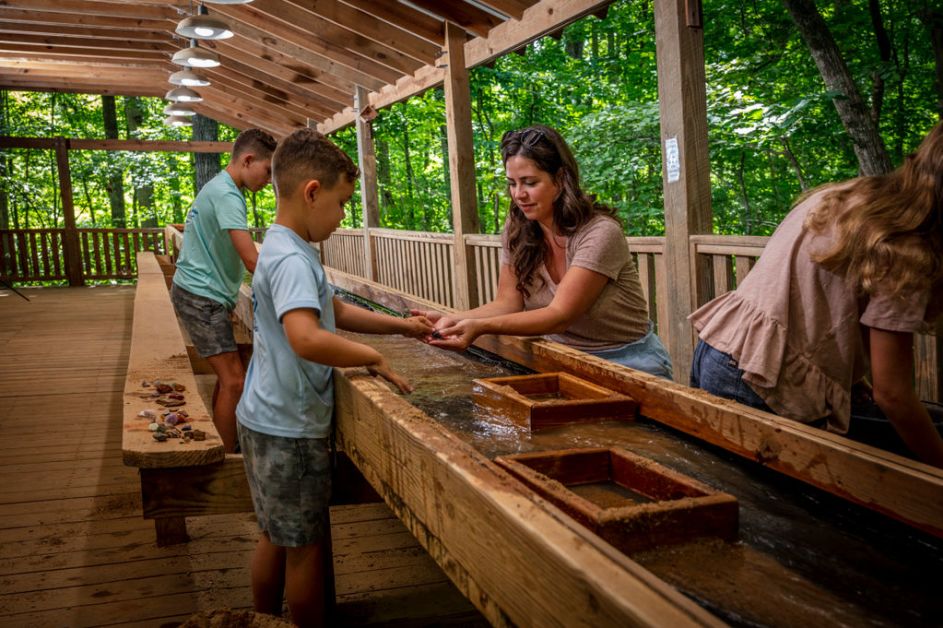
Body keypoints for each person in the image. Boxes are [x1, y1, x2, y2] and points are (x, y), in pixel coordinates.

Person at [235, 128, 433, 626]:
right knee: (304, 548)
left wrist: (402, 327)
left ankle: (263, 619)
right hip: (291, 429)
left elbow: (332, 311)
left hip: (262, 417)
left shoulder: (280, 247)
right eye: (343, 204)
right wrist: (371, 357)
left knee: (275, 535)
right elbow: (306, 336)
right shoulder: (293, 259)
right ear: (312, 193)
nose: (343, 218)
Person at [689, 122, 943, 468]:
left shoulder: (849, 197)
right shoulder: (905, 247)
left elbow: (840, 306)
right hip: (762, 379)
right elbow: (894, 394)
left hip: (720, 351)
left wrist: (855, 383)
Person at [417, 124, 672, 379]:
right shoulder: (517, 229)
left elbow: (559, 315)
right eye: (512, 183)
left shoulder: (600, 233)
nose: (519, 194)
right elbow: (508, 303)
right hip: (560, 359)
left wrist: (480, 327)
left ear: (560, 179)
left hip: (630, 362)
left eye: (530, 182)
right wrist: (454, 321)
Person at [171, 128, 277, 453]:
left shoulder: (218, 187)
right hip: (202, 298)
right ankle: (227, 455)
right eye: (268, 170)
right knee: (235, 381)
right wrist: (294, 288)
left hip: (201, 294)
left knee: (228, 377)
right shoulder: (229, 195)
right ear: (248, 160)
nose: (269, 180)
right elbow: (250, 259)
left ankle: (224, 442)